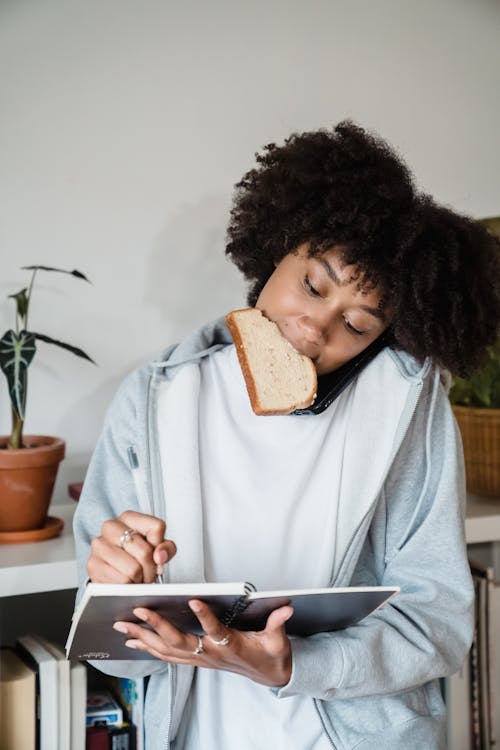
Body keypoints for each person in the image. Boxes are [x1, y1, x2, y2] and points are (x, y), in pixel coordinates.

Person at [73, 121, 500, 750]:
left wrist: (290, 665)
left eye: (355, 323)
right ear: (278, 245)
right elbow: (114, 658)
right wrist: (119, 597)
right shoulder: (153, 397)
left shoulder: (411, 408)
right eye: (312, 285)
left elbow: (435, 624)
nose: (315, 328)